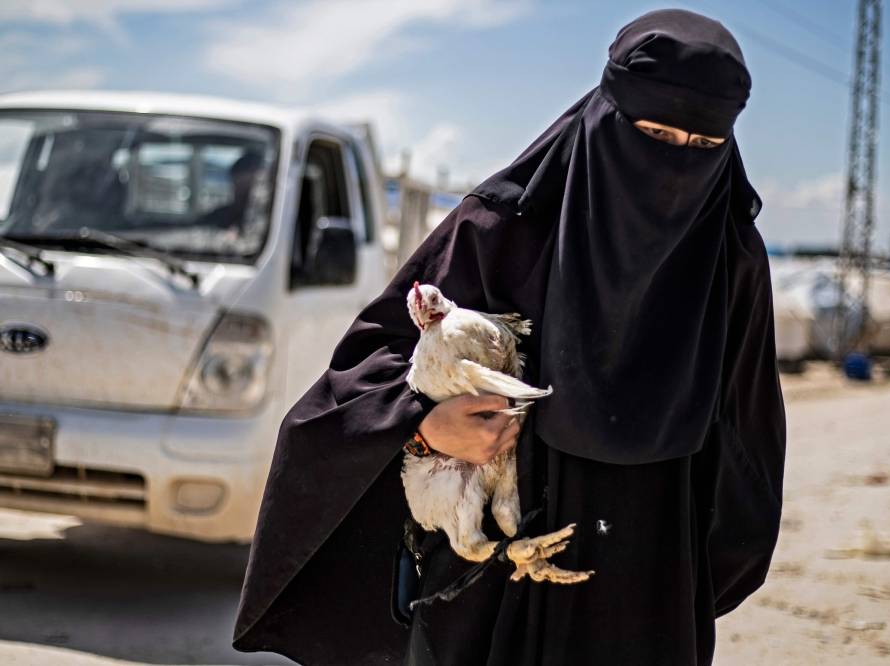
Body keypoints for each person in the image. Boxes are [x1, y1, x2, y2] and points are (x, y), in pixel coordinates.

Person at [232, 8, 785, 666]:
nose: (673, 168)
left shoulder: (729, 257)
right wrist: (425, 427)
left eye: (701, 148)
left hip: (649, 586)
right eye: (654, 133)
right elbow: (361, 376)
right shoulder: (505, 231)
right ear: (607, 119)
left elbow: (748, 437)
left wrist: (694, 579)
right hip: (488, 588)